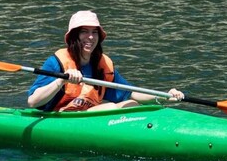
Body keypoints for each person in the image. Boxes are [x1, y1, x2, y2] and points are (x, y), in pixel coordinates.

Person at [27, 10, 184, 112]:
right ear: (74, 36)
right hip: (59, 118)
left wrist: (165, 96)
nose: (90, 37)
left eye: (94, 32)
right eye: (84, 32)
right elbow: (33, 102)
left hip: (89, 117)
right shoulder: (56, 63)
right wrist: (60, 81)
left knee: (131, 106)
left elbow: (131, 93)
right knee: (109, 107)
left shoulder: (103, 65)